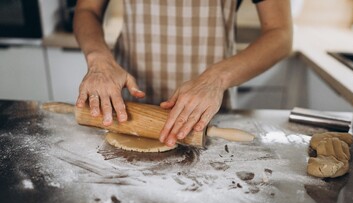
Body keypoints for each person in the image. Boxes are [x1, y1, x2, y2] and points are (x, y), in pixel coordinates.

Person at [74, 0, 292, 147]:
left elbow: (280, 33)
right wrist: (99, 59)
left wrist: (216, 79)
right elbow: (87, 10)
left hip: (206, 115)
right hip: (128, 112)